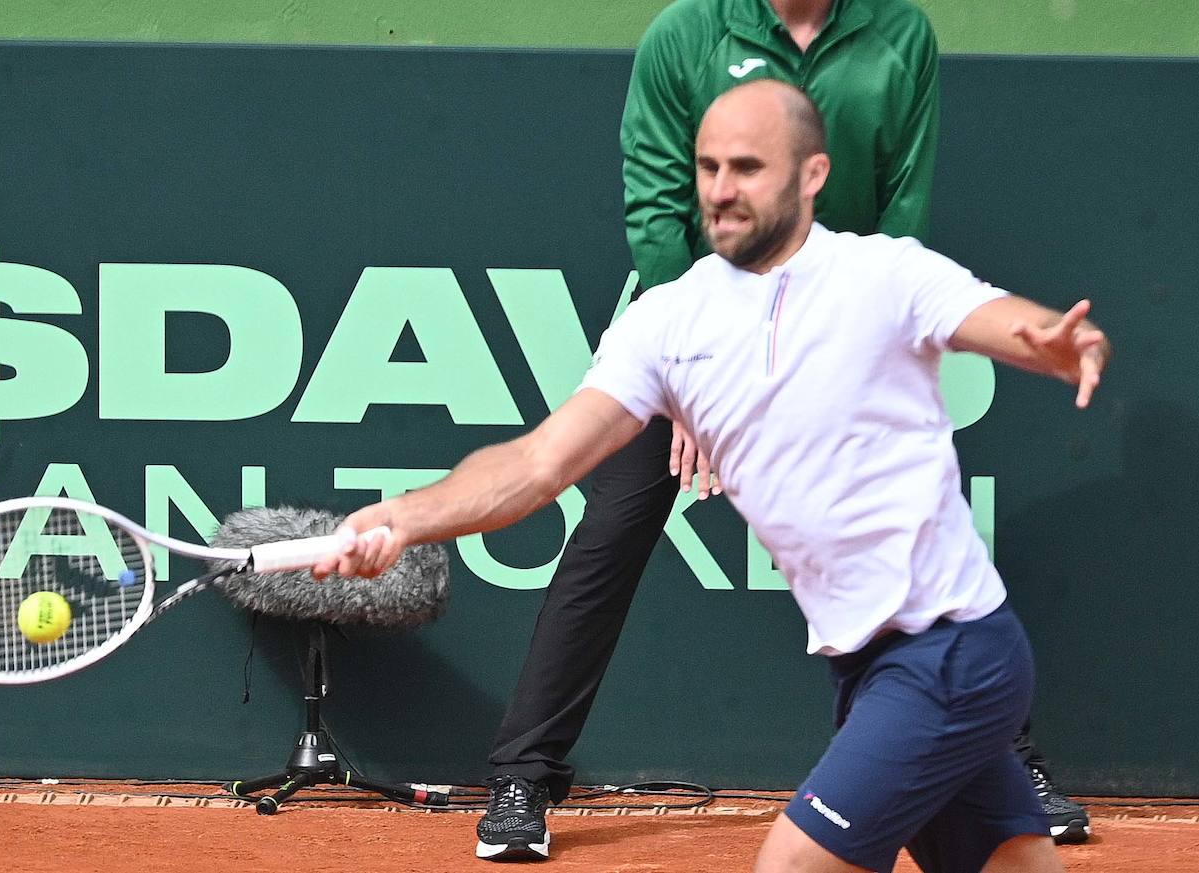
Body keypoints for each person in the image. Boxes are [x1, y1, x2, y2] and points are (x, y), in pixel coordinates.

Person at [313, 81, 1110, 873]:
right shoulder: (666, 321)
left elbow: (999, 320)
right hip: (866, 663)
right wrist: (406, 515)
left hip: (952, 653)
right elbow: (536, 463)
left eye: (748, 168)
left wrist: (1048, 340)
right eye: (708, 167)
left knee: (793, 866)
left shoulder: (886, 276)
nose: (722, 190)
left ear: (813, 175)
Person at [478, 0, 1088, 859]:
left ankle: (1000, 756)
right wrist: (698, 384)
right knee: (612, 527)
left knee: (921, 532)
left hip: (843, 324)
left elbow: (903, 195)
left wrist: (872, 332)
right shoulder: (684, 35)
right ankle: (523, 777)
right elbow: (657, 209)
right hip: (695, 329)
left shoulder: (898, 34)